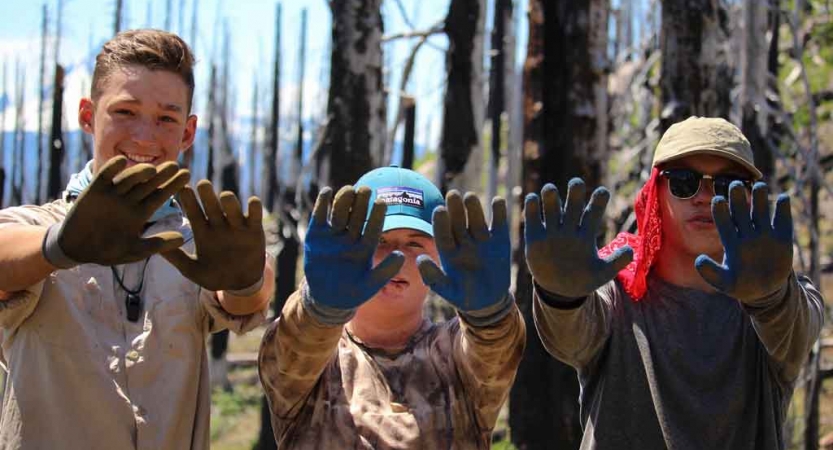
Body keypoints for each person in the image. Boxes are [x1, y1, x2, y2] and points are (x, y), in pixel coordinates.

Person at [0, 29, 273, 449]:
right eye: (125, 112)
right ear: (88, 116)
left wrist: (246, 280)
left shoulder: (192, 242)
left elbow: (244, 302)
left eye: (166, 118)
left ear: (187, 133)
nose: (145, 137)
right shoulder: (37, 226)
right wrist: (60, 247)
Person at [524, 116, 824, 449]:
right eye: (684, 182)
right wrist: (561, 296)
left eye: (726, 185)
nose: (705, 196)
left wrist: (770, 298)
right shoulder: (616, 289)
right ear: (655, 192)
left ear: (750, 198)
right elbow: (571, 338)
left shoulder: (779, 299)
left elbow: (794, 335)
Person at [258, 166, 525, 448]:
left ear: (443, 255)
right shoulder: (316, 359)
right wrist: (319, 309)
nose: (397, 255)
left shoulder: (455, 356)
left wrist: (490, 315)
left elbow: (495, 351)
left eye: (414, 242)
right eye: (379, 240)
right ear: (345, 250)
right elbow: (291, 352)